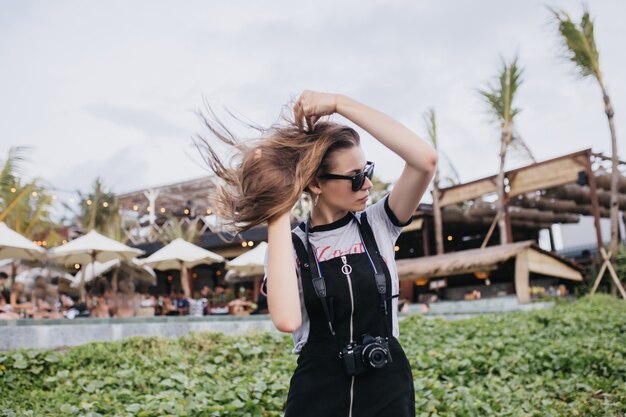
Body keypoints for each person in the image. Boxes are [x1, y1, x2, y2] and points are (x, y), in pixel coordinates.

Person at [200, 90, 437, 416]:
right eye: (356, 178)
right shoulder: (291, 245)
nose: (367, 184)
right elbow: (286, 319)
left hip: (387, 384)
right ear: (315, 184)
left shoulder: (379, 224)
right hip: (319, 392)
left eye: (366, 171)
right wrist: (278, 202)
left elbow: (425, 160)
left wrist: (340, 104)